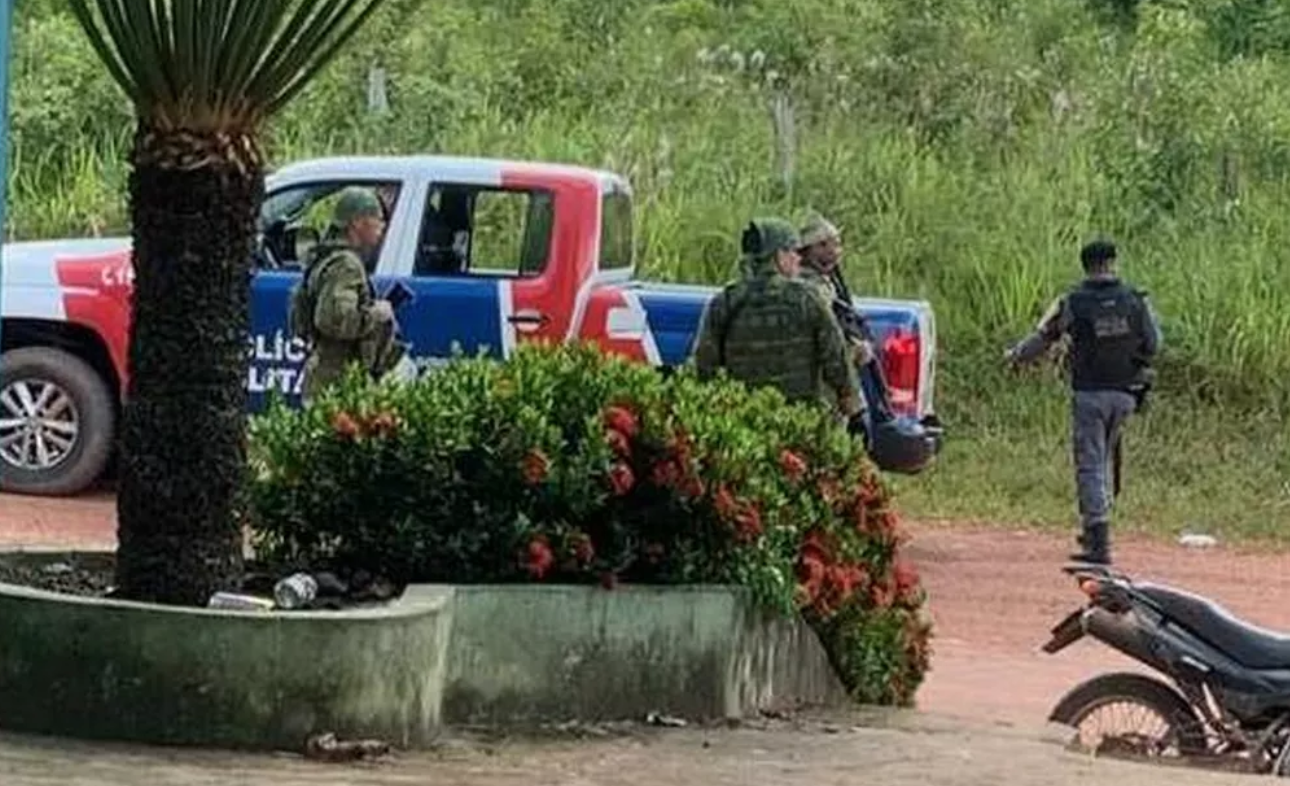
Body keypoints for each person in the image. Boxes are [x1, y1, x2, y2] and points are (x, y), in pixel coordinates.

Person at [1004, 238, 1162, 565]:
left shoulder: (1072, 301)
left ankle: (1098, 541)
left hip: (1090, 393)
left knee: (1090, 464)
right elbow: (1154, 343)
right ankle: (1095, 526)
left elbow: (1043, 338)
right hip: (1125, 394)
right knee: (1104, 458)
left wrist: (1015, 357)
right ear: (1113, 262)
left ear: (1085, 266)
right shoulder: (1136, 300)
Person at [691, 217, 864, 427]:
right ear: (780, 256)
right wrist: (850, 401)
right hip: (801, 423)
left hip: (745, 424)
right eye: (794, 252)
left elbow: (704, 364)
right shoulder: (807, 298)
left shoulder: (726, 301)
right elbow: (835, 355)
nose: (798, 259)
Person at [289, 186, 415, 403]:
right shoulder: (346, 265)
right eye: (377, 219)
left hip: (329, 382)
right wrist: (378, 313)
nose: (382, 226)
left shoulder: (329, 259)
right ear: (357, 223)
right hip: (338, 386)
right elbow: (334, 320)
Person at [796, 214, 896, 426]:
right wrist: (856, 351)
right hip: (817, 392)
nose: (832, 251)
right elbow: (824, 346)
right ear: (805, 251)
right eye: (822, 245)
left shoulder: (823, 284)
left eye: (836, 244)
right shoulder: (812, 291)